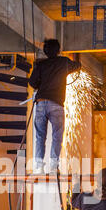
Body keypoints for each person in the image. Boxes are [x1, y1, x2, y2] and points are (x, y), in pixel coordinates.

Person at [29, 39, 81, 174]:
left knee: (40, 136)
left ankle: (39, 167)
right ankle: (53, 167)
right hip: (56, 105)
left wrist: (42, 82)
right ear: (58, 51)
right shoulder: (63, 62)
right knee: (57, 135)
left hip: (41, 102)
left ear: (45, 52)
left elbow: (32, 83)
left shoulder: (40, 65)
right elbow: (77, 66)